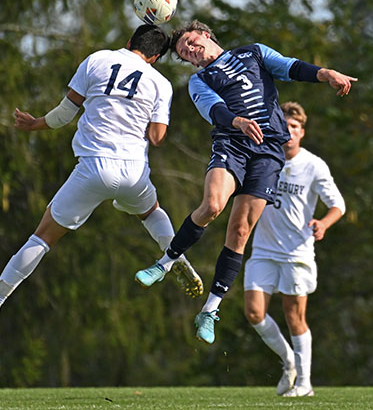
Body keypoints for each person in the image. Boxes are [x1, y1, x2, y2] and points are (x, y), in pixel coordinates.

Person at [0, 24, 203, 325]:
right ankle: (176, 255)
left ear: (129, 41)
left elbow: (64, 113)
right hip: (134, 171)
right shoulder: (160, 83)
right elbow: (156, 137)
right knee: (151, 212)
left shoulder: (97, 59)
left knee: (43, 236)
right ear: (154, 58)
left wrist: (34, 123)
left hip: (94, 167)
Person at [134, 20, 356, 345]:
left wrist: (327, 74)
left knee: (239, 232)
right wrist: (237, 121)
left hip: (268, 152)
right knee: (212, 205)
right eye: (184, 53)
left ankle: (209, 310)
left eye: (192, 44)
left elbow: (292, 67)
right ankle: (165, 263)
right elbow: (216, 110)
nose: (191, 52)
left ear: (206, 35)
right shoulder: (200, 81)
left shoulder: (254, 53)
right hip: (231, 143)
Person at [243, 101, 345, 397]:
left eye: (295, 127)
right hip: (262, 249)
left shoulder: (314, 166)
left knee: (293, 315)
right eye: (284, 126)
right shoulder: (263, 159)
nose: (289, 131)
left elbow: (338, 205)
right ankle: (289, 361)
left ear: (302, 132)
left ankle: (305, 384)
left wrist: (324, 223)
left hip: (296, 253)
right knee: (253, 312)